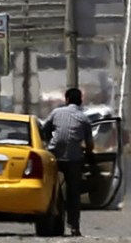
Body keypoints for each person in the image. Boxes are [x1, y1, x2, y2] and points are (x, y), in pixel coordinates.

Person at [41, 88, 94, 237]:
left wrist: (49, 142)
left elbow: (44, 130)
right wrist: (88, 154)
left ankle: (48, 220)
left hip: (54, 156)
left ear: (67, 100)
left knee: (50, 190)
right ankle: (74, 226)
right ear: (80, 101)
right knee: (74, 193)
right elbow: (90, 145)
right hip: (74, 159)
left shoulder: (56, 113)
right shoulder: (84, 119)